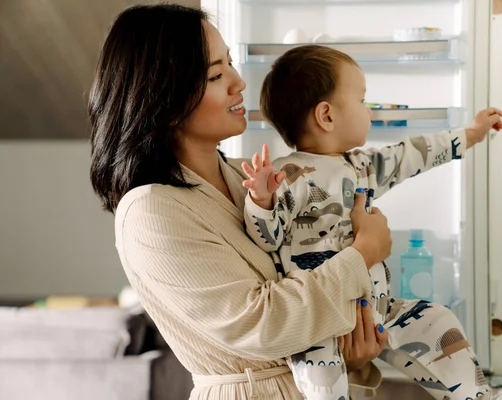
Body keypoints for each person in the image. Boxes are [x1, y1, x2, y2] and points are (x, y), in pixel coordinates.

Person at [89, 4, 395, 400]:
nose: (239, 82)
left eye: (230, 63)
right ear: (164, 98)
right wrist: (363, 254)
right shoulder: (150, 210)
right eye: (216, 74)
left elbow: (304, 284)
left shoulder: (250, 179)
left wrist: (349, 356)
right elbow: (262, 325)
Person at [241, 45, 502, 400]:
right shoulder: (288, 176)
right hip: (318, 323)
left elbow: (413, 153)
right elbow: (266, 237)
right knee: (322, 389)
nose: (370, 111)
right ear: (327, 115)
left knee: (437, 320)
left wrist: (471, 135)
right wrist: (260, 200)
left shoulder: (362, 165)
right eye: (363, 100)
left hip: (378, 309)